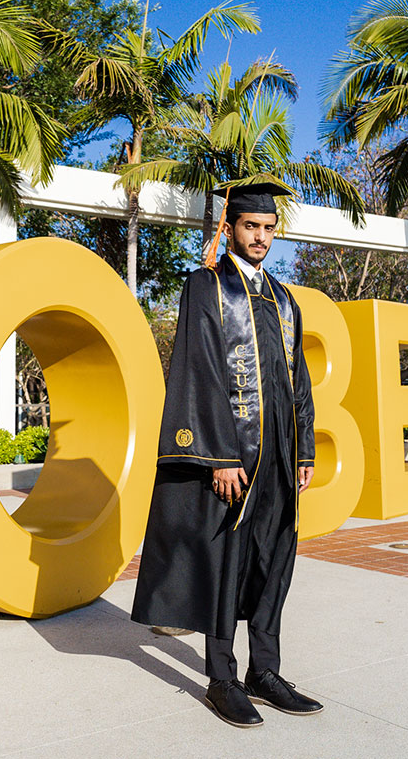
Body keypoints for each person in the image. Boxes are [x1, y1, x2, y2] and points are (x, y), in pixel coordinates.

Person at [130, 181, 322, 728]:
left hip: (279, 458)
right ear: (230, 228)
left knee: (272, 563)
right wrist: (216, 455)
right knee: (227, 564)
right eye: (250, 227)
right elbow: (198, 370)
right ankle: (222, 678)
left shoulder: (285, 299)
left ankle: (266, 671)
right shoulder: (207, 288)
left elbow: (297, 380)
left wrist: (303, 447)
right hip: (234, 456)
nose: (260, 237)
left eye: (267, 228)